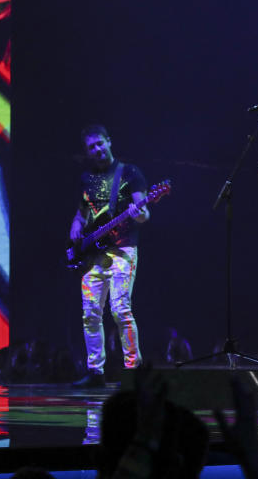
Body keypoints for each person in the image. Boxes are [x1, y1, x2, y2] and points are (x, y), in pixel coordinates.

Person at [70, 125, 149, 387]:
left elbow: (143, 211)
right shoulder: (86, 179)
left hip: (122, 251)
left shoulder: (129, 172)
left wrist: (139, 213)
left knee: (120, 310)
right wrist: (75, 228)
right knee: (90, 313)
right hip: (93, 255)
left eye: (100, 144)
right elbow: (82, 213)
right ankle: (95, 372)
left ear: (109, 141)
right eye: (91, 147)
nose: (97, 149)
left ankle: (133, 370)